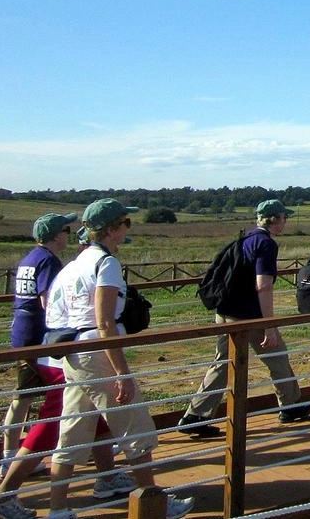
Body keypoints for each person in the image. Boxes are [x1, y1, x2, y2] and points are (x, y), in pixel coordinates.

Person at [47, 198, 194, 519]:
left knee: (72, 430)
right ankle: (156, 503)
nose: (129, 228)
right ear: (113, 228)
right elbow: (104, 322)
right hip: (97, 352)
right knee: (135, 428)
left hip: (74, 353)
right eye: (126, 223)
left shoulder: (75, 264)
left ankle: (57, 509)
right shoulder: (106, 264)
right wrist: (122, 372)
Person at [0, 227, 131, 519]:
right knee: (52, 426)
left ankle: (107, 477)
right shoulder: (92, 267)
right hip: (69, 359)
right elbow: (97, 318)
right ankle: (6, 493)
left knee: (95, 418)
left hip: (59, 352)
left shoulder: (68, 267)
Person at [177, 200, 310, 438]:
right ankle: (291, 406)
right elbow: (263, 286)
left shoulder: (247, 239)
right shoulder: (266, 244)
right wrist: (268, 325)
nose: (286, 222)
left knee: (223, 363)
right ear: (274, 219)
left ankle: (194, 415)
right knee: (276, 354)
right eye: (284, 217)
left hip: (226, 311)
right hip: (248, 316)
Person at [3, 213, 76, 471]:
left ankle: (12, 452)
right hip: (37, 335)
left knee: (25, 396)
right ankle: (16, 457)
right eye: (66, 229)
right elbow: (48, 301)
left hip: (22, 332)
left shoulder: (30, 258)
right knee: (33, 396)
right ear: (56, 235)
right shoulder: (48, 261)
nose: (69, 234)